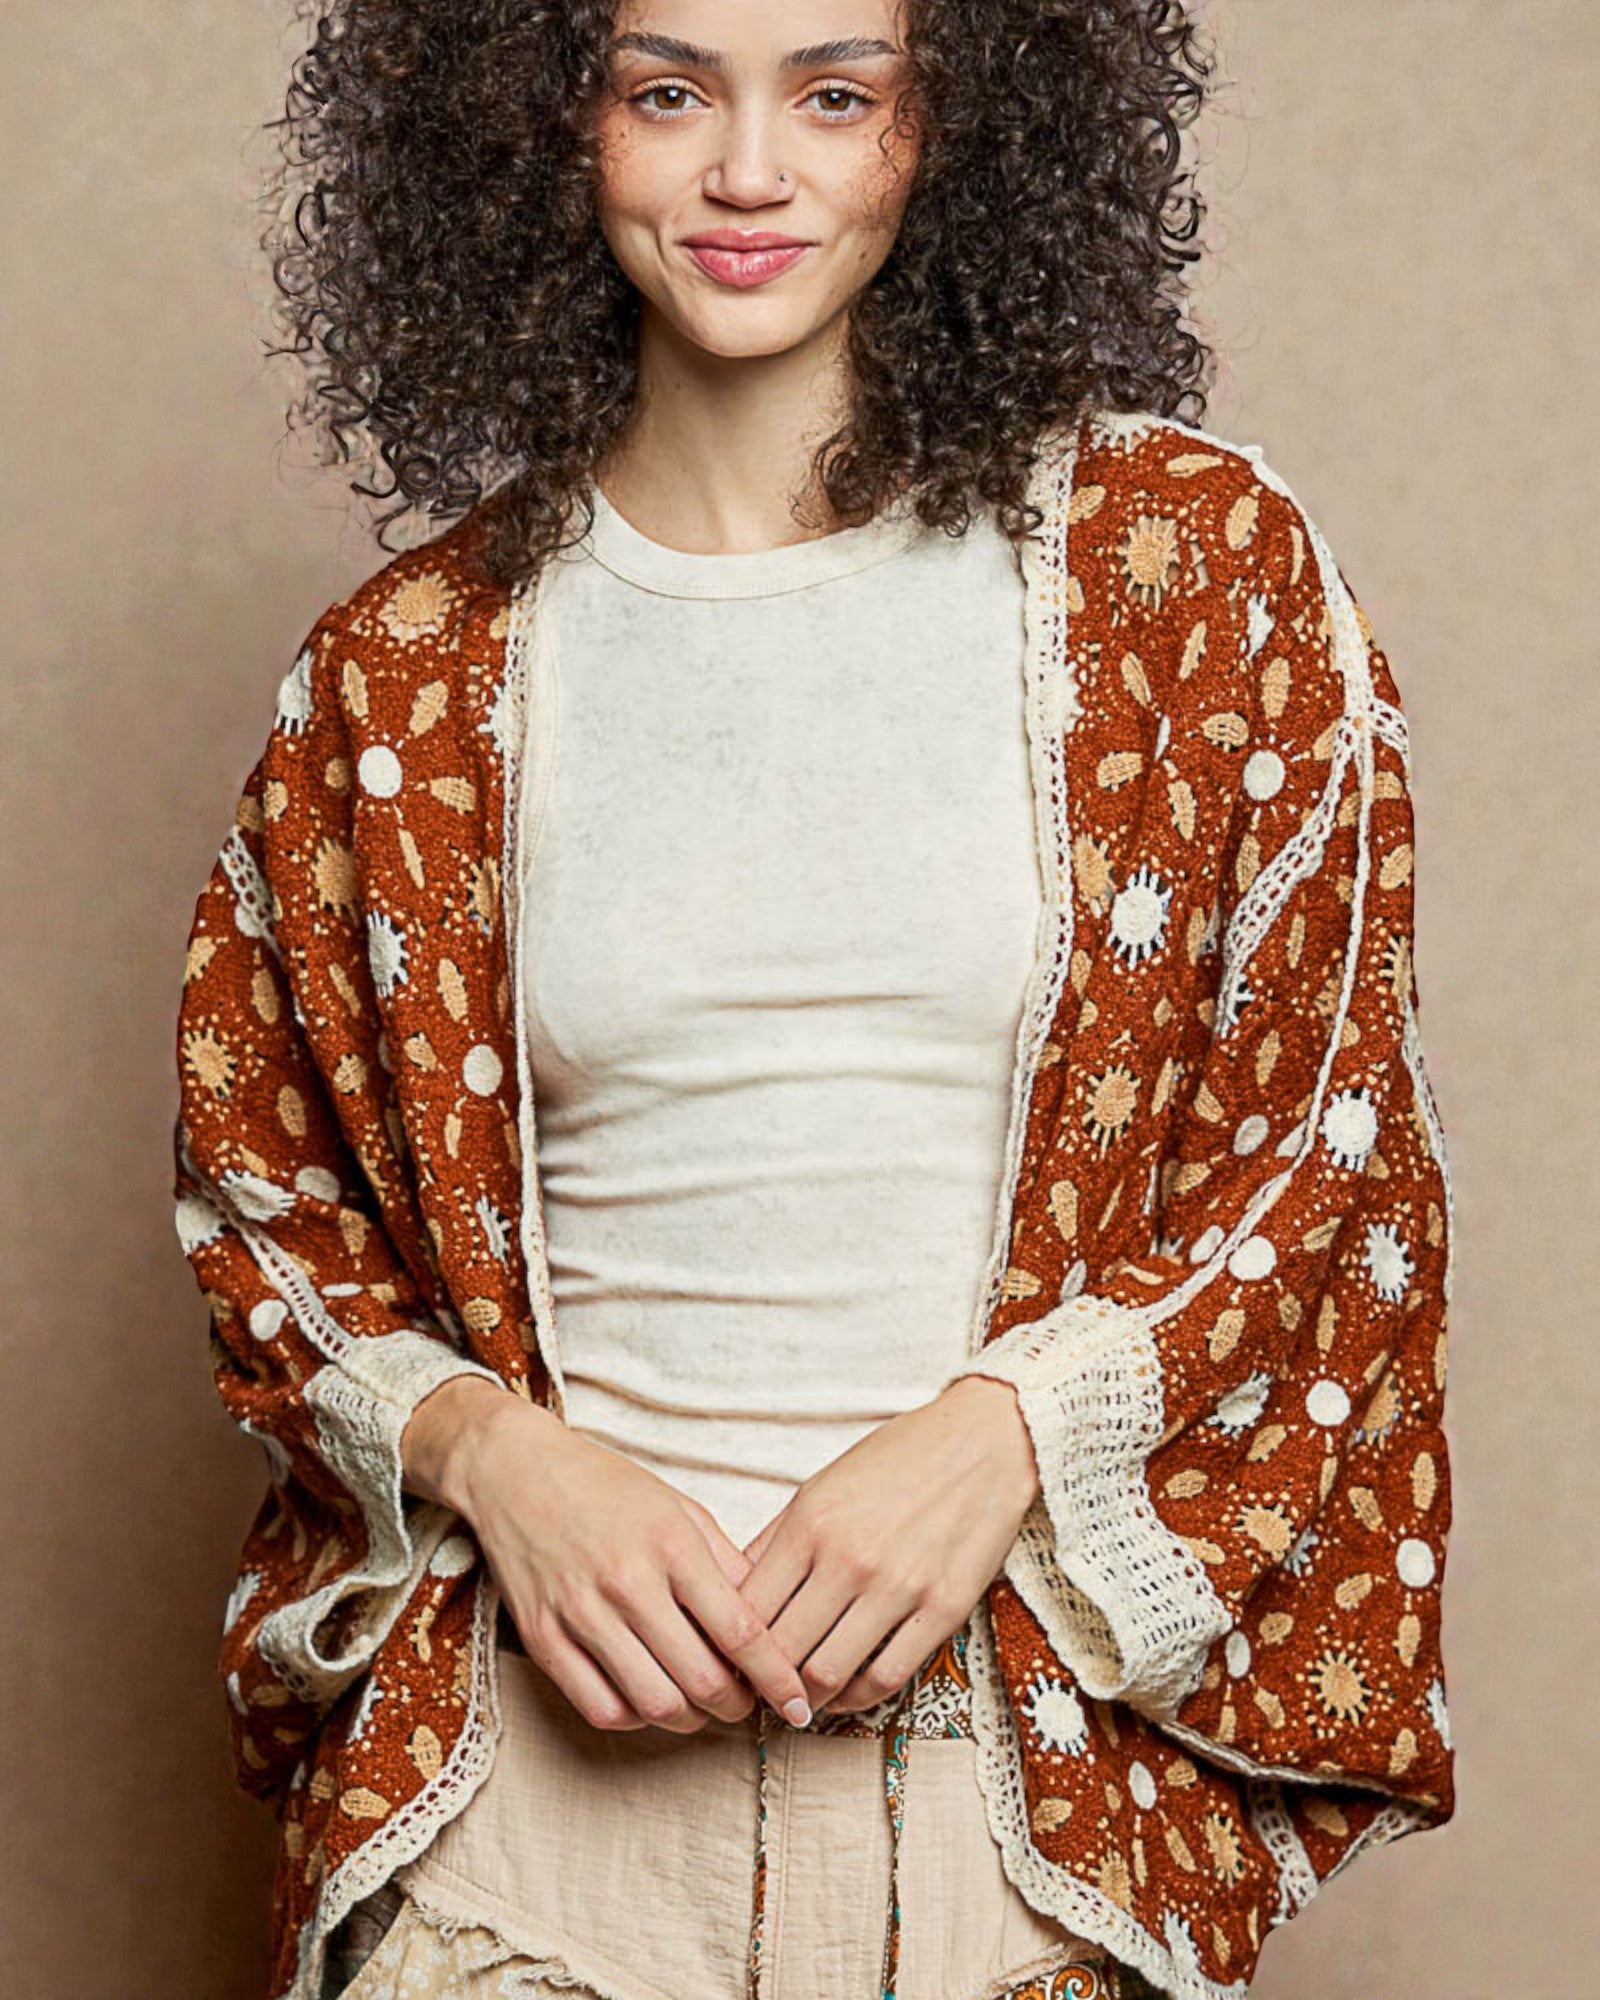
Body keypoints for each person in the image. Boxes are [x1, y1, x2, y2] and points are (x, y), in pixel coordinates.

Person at [170, 3, 1456, 1998]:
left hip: (1005, 1846)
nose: (748, 172)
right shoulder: (404, 671)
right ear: (542, 123)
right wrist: (493, 1456)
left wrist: (1006, 1432)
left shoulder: (1193, 583)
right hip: (519, 1843)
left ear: (956, 126)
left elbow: (1330, 1154)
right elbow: (265, 1201)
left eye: (837, 94)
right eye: (665, 90)